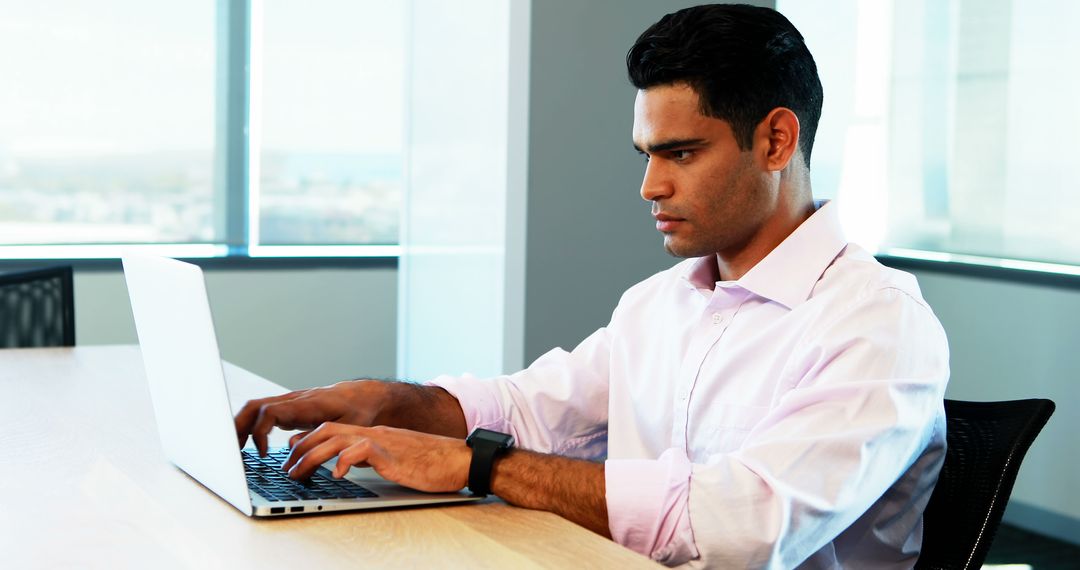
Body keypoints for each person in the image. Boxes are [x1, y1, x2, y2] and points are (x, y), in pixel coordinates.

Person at [234, 4, 949, 568]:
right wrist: (394, 403)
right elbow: (533, 410)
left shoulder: (878, 326)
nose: (650, 185)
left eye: (681, 153)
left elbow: (739, 528)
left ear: (776, 141)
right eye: (646, 154)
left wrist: (478, 464)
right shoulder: (661, 304)